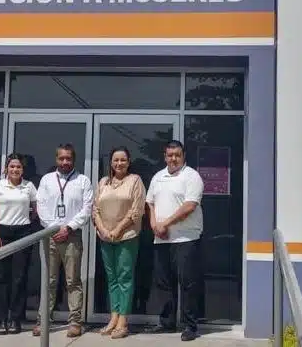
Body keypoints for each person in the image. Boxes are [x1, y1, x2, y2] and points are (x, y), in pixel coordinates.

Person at [144, 140, 205, 342]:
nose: (173, 159)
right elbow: (150, 203)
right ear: (165, 156)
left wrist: (166, 223)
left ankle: (190, 326)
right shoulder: (157, 177)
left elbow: (190, 206)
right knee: (163, 283)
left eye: (177, 155)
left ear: (183, 155)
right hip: (161, 239)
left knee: (188, 283)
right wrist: (154, 225)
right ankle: (167, 322)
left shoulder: (192, 176)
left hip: (186, 237)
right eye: (170, 155)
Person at [33, 143, 94, 338]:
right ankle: (43, 320)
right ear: (56, 159)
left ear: (73, 159)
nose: (65, 162)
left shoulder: (83, 181)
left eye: (68, 158)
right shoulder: (47, 180)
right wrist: (54, 228)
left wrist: (68, 227)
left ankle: (75, 321)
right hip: (49, 235)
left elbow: (87, 210)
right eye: (62, 158)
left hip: (72, 235)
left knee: (73, 281)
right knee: (48, 281)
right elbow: (40, 207)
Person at [92, 147, 146, 339]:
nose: (119, 163)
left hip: (127, 237)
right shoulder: (103, 182)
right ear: (111, 162)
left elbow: (137, 210)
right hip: (105, 238)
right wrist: (104, 230)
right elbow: (95, 210)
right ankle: (113, 318)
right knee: (112, 278)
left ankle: (123, 321)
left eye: (123, 160)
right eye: (115, 160)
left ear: (129, 162)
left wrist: (118, 230)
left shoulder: (135, 181)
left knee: (124, 278)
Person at [0, 153, 38, 335]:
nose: (15, 170)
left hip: (23, 232)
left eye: (18, 167)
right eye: (12, 166)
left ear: (23, 169)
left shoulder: (29, 186)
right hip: (3, 232)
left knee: (19, 278)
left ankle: (15, 319)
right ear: (6, 169)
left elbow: (35, 211)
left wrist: (26, 222)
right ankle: (1, 319)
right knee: (1, 277)